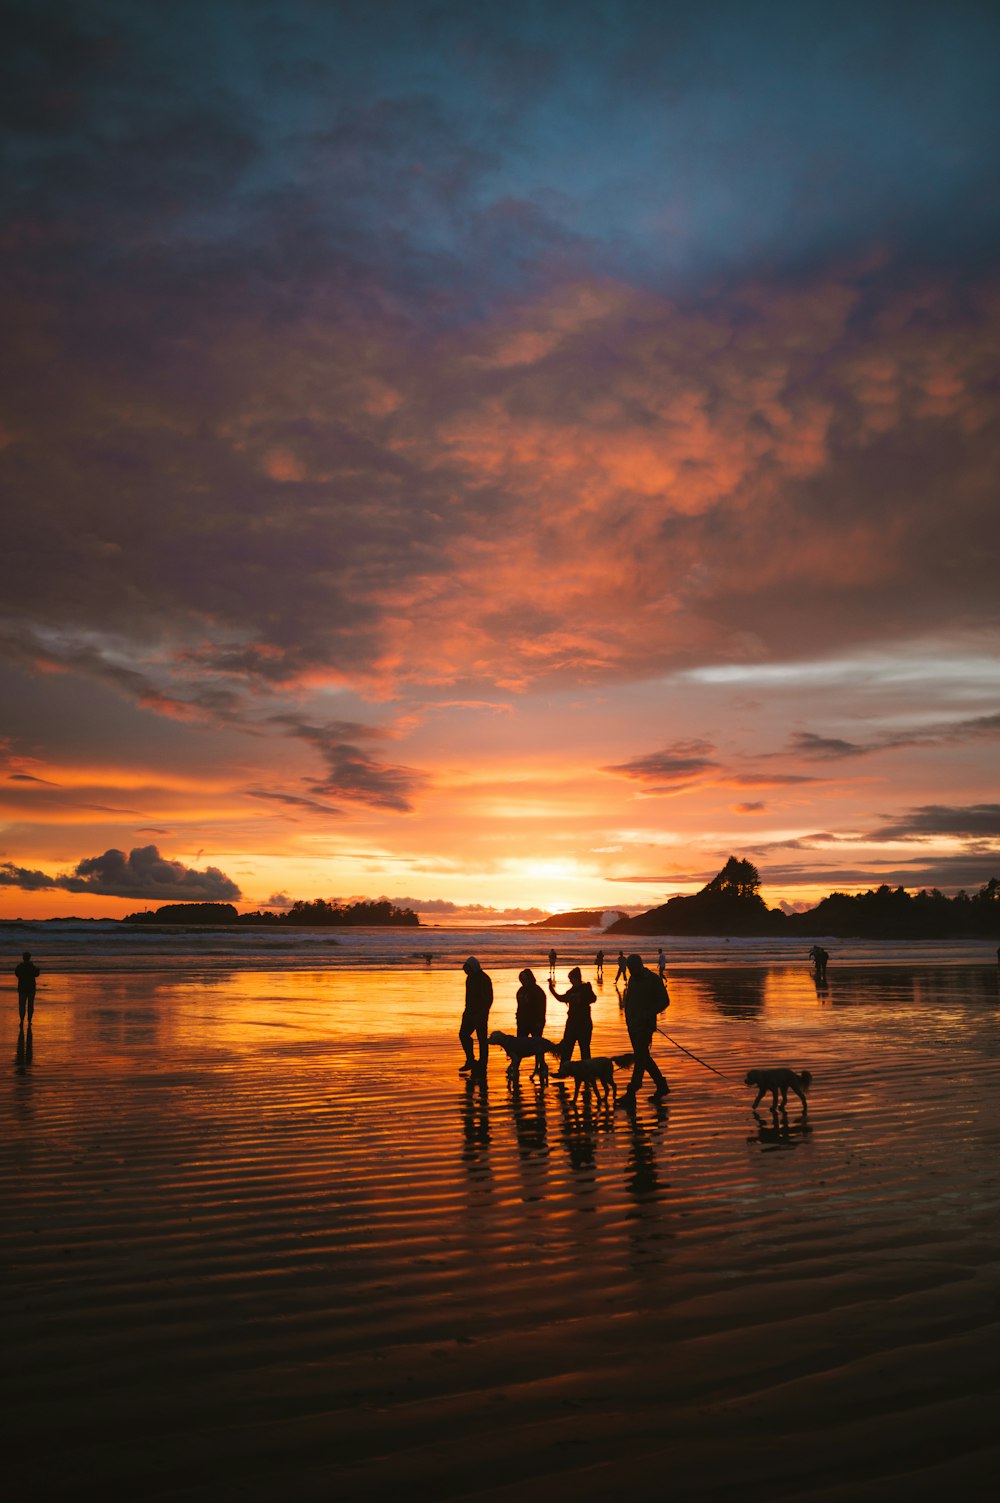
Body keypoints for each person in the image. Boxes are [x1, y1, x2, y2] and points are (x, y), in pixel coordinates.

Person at [618, 953, 670, 1107]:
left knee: (640, 1059)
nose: (630, 972)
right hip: (632, 1026)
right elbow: (630, 1001)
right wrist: (628, 1019)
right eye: (628, 969)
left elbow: (665, 1001)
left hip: (645, 1027)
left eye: (632, 968)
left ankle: (632, 1091)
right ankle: (662, 1086)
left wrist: (649, 1013)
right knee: (643, 1057)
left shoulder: (653, 980)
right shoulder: (633, 979)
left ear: (639, 966)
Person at [548, 966, 595, 1071]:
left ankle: (587, 1071)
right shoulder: (571, 991)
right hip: (572, 1023)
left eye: (571, 978)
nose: (570, 980)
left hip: (584, 1023)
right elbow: (561, 998)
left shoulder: (585, 988)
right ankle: (563, 1070)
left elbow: (593, 999)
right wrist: (552, 990)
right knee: (567, 1048)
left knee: (584, 1049)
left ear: (576, 978)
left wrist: (585, 995)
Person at [459, 956, 493, 1073]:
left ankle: (483, 1063)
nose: (466, 972)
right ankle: (470, 1060)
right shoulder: (469, 979)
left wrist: (483, 1012)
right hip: (469, 1013)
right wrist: (466, 1011)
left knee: (482, 1040)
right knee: (463, 1035)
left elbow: (489, 998)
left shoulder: (484, 979)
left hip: (480, 1014)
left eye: (468, 970)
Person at [515, 968, 547, 1038]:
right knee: (521, 1044)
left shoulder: (537, 991)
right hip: (523, 1022)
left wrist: (540, 1022)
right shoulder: (520, 991)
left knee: (536, 1045)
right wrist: (518, 1018)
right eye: (521, 979)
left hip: (535, 1022)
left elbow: (542, 1008)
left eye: (524, 979)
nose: (523, 981)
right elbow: (519, 1006)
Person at [15, 951, 39, 1026]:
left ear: (23, 958)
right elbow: (36, 974)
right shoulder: (32, 966)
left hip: (22, 987)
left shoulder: (20, 966)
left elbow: (17, 974)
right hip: (31, 987)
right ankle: (29, 1020)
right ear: (29, 958)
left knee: (22, 1004)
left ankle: (22, 1020)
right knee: (30, 1004)